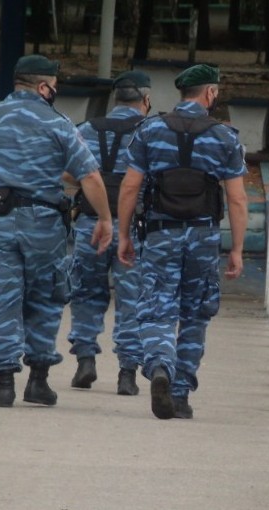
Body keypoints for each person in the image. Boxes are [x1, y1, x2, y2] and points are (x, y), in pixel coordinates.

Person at [0, 54, 113, 408]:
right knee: (46, 297)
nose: (56, 91)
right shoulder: (59, 123)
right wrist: (105, 219)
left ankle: (4, 383)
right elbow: (91, 177)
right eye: (54, 85)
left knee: (5, 299)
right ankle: (38, 380)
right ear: (42, 86)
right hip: (45, 225)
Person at [117, 63, 248, 420]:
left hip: (159, 233)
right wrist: (236, 248)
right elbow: (236, 199)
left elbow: (130, 186)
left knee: (157, 307)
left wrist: (125, 235)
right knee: (195, 312)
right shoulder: (225, 137)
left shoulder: (150, 130)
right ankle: (180, 394)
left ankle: (160, 364)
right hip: (203, 235)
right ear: (210, 93)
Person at [66, 70, 152, 396]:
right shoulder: (149, 131)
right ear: (146, 99)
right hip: (134, 230)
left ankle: (85, 360)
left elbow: (66, 169)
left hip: (90, 224)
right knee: (132, 299)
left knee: (86, 293)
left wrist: (92, 184)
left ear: (116, 99)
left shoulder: (87, 129)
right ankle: (127, 374)